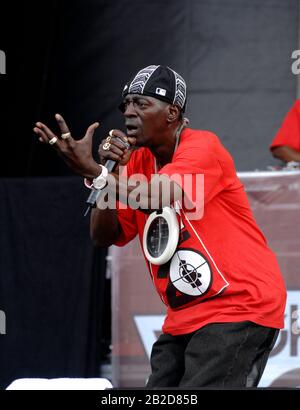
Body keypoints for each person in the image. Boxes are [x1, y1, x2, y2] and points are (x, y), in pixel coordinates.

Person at [33, 64, 286, 388]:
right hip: (183, 316)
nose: (129, 112)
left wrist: (100, 174)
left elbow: (158, 196)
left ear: (172, 113)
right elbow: (103, 235)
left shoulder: (202, 147)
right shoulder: (134, 163)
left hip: (239, 304)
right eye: (126, 104)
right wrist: (101, 177)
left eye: (142, 103)